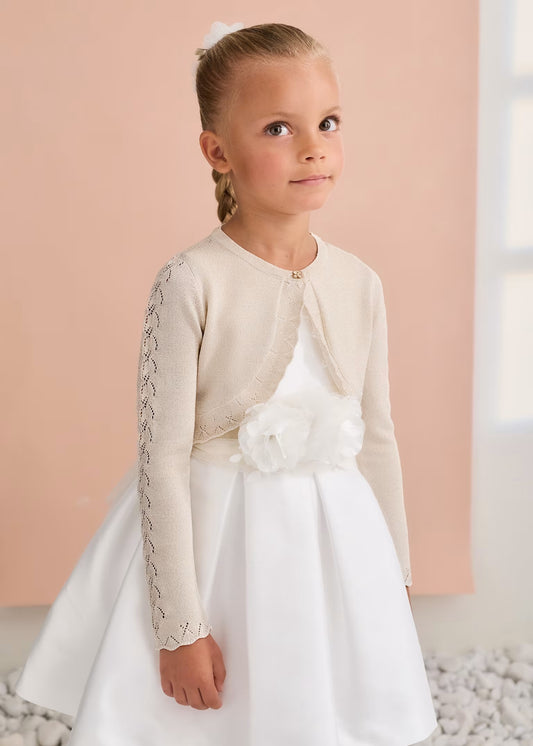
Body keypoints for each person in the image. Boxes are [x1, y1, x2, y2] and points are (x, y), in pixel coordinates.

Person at [15, 20, 439, 746]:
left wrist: (392, 576)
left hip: (332, 545)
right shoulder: (191, 281)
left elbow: (377, 436)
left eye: (328, 123)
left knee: (317, 709)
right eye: (278, 128)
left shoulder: (358, 283)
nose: (313, 148)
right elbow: (162, 459)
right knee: (210, 719)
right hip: (217, 549)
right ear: (217, 152)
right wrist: (180, 627)